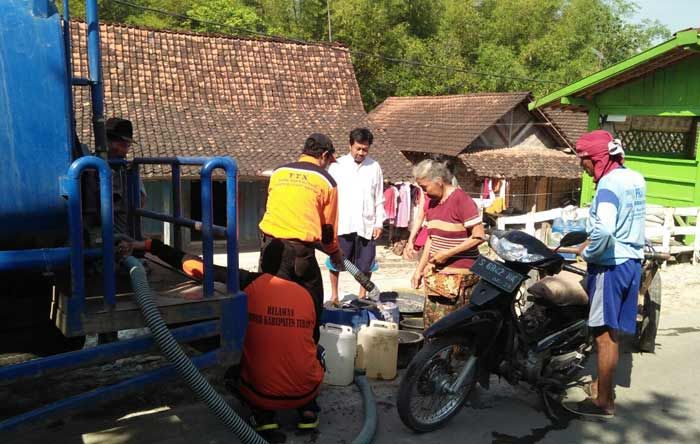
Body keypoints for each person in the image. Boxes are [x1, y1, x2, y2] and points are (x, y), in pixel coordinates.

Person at [117, 239, 323, 442]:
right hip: (305, 391)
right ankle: (308, 413)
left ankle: (264, 418)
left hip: (262, 393)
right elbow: (311, 341)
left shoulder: (249, 282)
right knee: (317, 351)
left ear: (265, 261)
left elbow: (196, 266)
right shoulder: (307, 296)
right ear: (292, 265)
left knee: (235, 365)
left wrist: (151, 246)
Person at [563, 130, 646, 419]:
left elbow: (607, 229)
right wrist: (586, 243)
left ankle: (603, 402)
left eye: (583, 161)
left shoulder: (608, 186)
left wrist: (589, 253)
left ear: (597, 159)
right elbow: (624, 225)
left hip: (610, 266)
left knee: (603, 334)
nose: (583, 167)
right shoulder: (635, 178)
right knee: (613, 331)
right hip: (632, 262)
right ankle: (603, 385)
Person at [258, 133, 343, 340]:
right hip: (299, 254)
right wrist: (334, 254)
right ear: (323, 155)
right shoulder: (327, 181)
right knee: (312, 304)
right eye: (329, 161)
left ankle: (266, 347)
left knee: (267, 305)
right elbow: (328, 230)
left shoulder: (279, 172)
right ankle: (309, 352)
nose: (328, 166)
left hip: (269, 247)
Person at [410, 159, 485, 328]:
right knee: (431, 328)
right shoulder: (432, 203)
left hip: (459, 280)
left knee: (452, 331)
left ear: (438, 182)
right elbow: (431, 238)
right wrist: (419, 270)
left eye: (425, 188)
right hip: (437, 278)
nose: (424, 193)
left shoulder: (461, 200)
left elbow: (479, 236)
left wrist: (447, 253)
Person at [327, 128, 384, 305]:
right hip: (343, 222)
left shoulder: (374, 167)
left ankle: (362, 295)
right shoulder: (337, 166)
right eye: (358, 148)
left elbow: (379, 197)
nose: (361, 153)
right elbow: (330, 196)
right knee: (336, 261)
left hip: (366, 224)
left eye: (365, 149)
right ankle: (334, 295)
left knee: (366, 263)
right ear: (350, 145)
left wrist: (379, 223)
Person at [105, 117, 146, 234]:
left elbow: (142, 199)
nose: (126, 151)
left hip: (125, 232)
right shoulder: (91, 167)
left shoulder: (128, 169)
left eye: (128, 146)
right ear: (107, 143)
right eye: (122, 145)